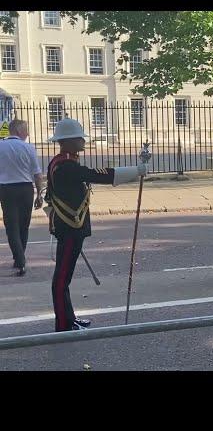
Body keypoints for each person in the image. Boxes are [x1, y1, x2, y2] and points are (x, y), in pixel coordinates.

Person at [45, 118, 147, 332]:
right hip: (71, 228)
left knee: (64, 278)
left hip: (69, 227)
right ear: (68, 141)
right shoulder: (66, 166)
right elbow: (97, 175)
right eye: (79, 137)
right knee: (62, 279)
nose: (83, 140)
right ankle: (63, 325)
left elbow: (49, 196)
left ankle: (69, 318)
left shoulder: (59, 161)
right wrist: (136, 170)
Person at [0, 119, 44, 276]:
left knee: (11, 226)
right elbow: (37, 174)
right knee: (23, 225)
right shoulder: (28, 148)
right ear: (18, 131)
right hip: (25, 188)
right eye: (26, 130)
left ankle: (19, 259)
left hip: (6, 189)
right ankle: (20, 257)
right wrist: (39, 194)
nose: (28, 133)